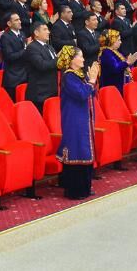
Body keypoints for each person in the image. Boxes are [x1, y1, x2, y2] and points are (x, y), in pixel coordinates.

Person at [56, 46, 99, 200]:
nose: (83, 59)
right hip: (74, 120)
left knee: (84, 149)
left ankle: (85, 186)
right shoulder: (69, 77)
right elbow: (81, 94)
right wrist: (91, 81)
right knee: (77, 149)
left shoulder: (79, 75)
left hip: (83, 118)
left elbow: (91, 92)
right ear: (71, 60)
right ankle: (75, 190)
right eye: (80, 56)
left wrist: (92, 80)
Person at [24, 22, 59, 112]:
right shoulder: (32, 47)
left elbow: (55, 65)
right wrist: (59, 59)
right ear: (36, 33)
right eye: (45, 29)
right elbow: (42, 65)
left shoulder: (49, 47)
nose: (48, 32)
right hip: (39, 94)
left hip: (51, 91)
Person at [0, 13, 28, 101]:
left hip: (24, 75)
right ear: (9, 23)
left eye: (19, 19)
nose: (20, 22)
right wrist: (26, 50)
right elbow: (9, 56)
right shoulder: (5, 37)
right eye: (16, 20)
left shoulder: (22, 34)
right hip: (13, 78)